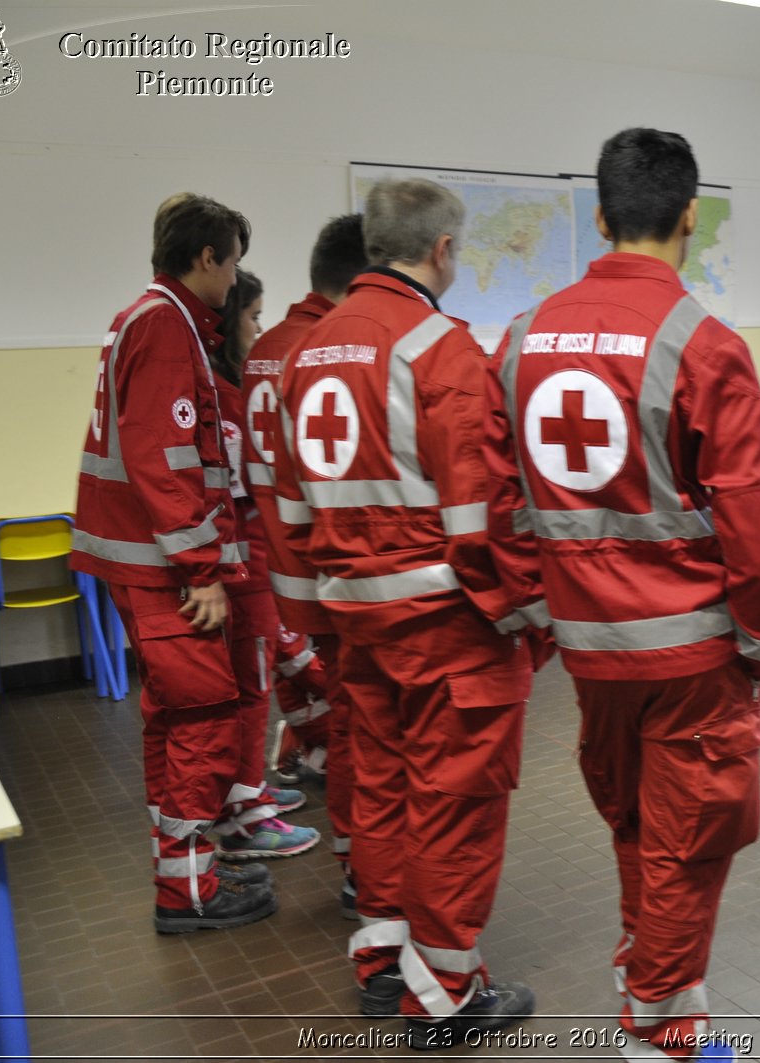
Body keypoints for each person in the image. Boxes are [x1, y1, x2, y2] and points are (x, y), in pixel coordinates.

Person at [486, 128, 760, 1062]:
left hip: (589, 648)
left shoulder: (519, 338)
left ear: (598, 215)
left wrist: (535, 612)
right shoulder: (704, 344)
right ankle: (657, 1031)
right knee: (687, 841)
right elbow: (752, 520)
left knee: (640, 823)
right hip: (693, 652)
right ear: (690, 217)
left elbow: (497, 499)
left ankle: (655, 988)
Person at [275, 178, 543, 1039]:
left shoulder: (307, 351)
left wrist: (318, 620)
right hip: (446, 625)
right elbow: (482, 520)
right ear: (441, 251)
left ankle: (387, 963)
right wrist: (526, 620)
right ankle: (448, 994)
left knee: (383, 793)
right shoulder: (441, 349)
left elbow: (285, 514)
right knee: (456, 803)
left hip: (354, 622)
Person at [70, 192, 276, 933]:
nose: (235, 280)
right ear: (207, 258)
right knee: (207, 714)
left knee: (170, 716)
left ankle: (184, 868)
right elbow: (166, 455)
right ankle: (190, 889)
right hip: (165, 569)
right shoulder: (165, 324)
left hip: (143, 562)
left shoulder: (147, 316)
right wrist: (201, 569)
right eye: (234, 263)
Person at [243, 213, 367, 904]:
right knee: (364, 722)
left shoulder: (268, 347)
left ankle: (354, 854)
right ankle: (365, 869)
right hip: (333, 570)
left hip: (276, 558)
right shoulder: (331, 348)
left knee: (333, 706)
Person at [208, 269, 321, 860]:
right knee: (251, 688)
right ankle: (246, 815)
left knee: (260, 681)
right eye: (253, 317)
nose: (260, 328)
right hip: (245, 567)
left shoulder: (232, 387)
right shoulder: (227, 397)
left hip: (252, 563)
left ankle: (250, 793)